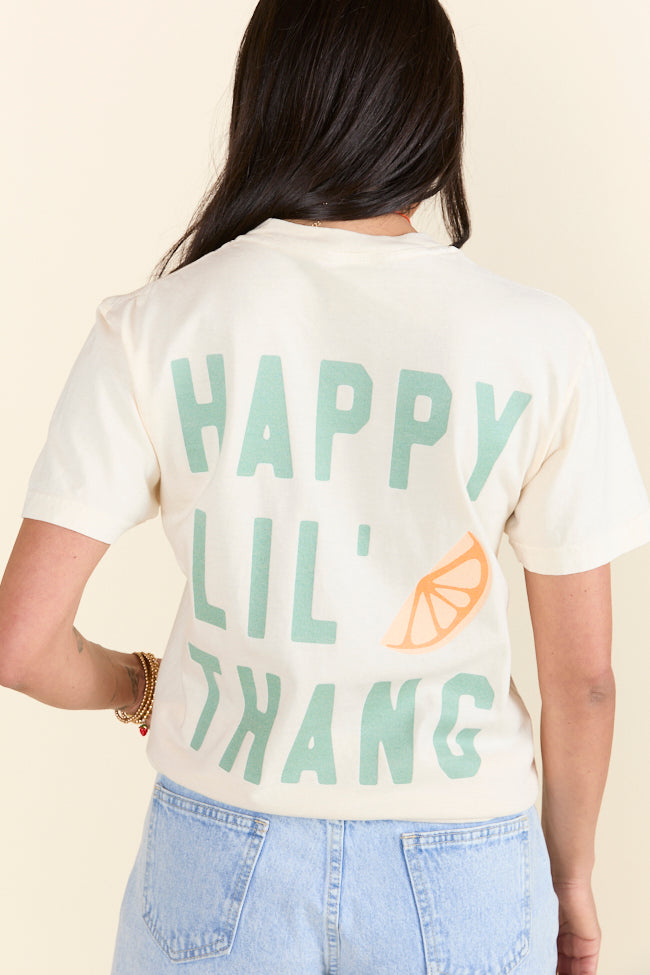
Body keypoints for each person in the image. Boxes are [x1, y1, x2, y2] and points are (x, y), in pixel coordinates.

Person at [0, 1, 648, 972]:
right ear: (434, 118)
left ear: (266, 101)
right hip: (462, 864)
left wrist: (137, 683)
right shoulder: (541, 345)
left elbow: (20, 644)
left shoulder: (155, 326)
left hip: (216, 848)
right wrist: (573, 879)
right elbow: (584, 682)